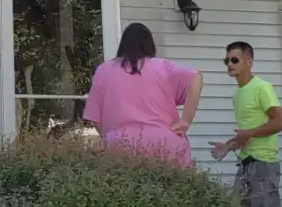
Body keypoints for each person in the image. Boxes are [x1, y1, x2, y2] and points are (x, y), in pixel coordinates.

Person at [210, 41, 282, 207]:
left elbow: (279, 122)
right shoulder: (239, 94)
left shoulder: (261, 88)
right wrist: (229, 146)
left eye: (235, 60)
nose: (230, 65)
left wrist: (250, 133)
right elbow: (246, 134)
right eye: (227, 61)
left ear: (249, 61)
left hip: (263, 164)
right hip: (246, 164)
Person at [82, 22, 203, 167]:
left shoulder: (104, 70)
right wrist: (186, 121)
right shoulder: (163, 66)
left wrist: (111, 138)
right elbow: (196, 78)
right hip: (165, 142)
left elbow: (95, 118)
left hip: (120, 145)